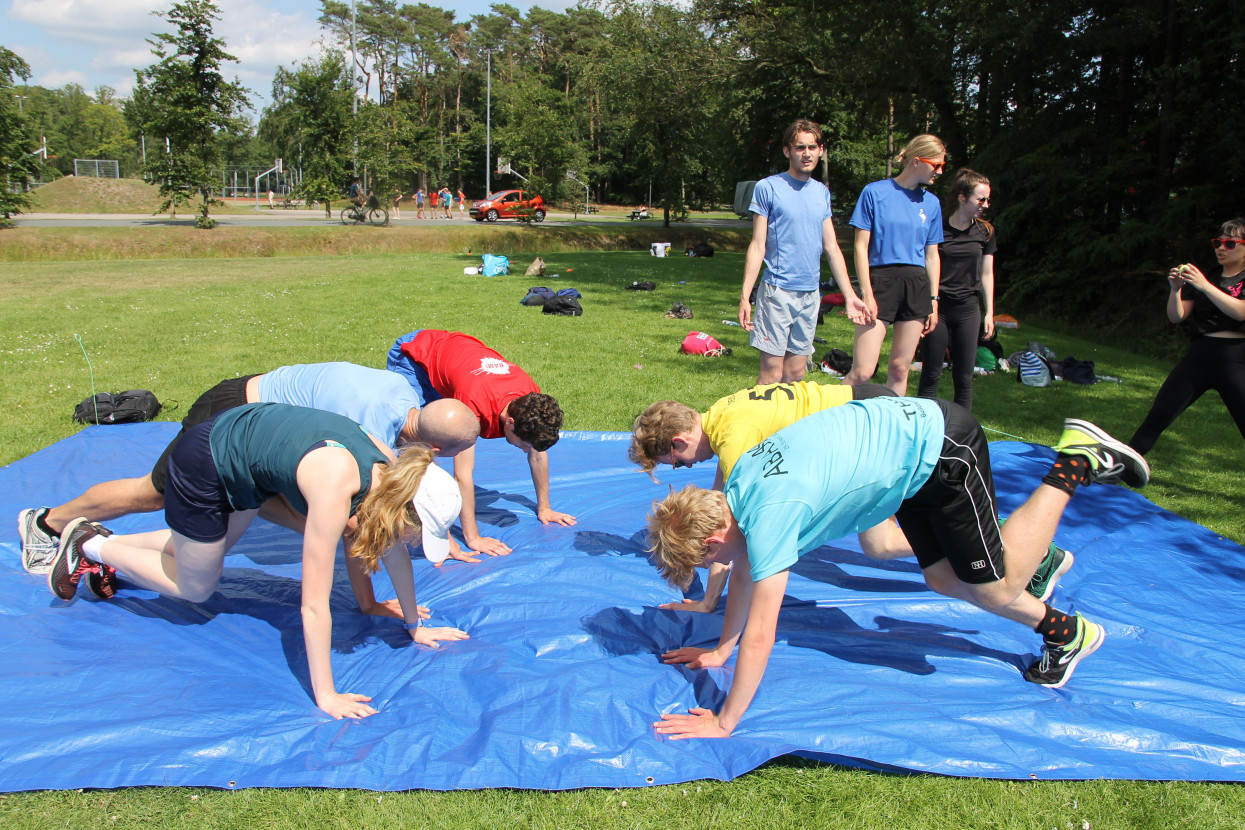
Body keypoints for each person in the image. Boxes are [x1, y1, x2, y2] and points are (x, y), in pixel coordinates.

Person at [647, 397, 1150, 739]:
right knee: (940, 578)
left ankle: (1076, 460)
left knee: (996, 588)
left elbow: (763, 630)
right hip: (905, 450)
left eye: (705, 560)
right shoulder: (738, 491)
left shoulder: (771, 517)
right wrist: (720, 650)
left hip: (940, 447)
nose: (713, 567)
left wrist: (725, 721)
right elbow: (746, 574)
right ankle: (1066, 631)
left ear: (714, 538)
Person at [44, 403, 469, 720]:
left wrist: (415, 626)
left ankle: (110, 549)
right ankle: (89, 542)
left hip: (252, 451)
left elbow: (395, 557)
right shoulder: (336, 487)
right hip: (210, 459)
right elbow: (314, 603)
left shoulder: (393, 473)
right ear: (402, 511)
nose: (409, 543)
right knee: (197, 587)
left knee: (201, 551)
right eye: (415, 533)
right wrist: (327, 695)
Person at [18, 363, 480, 574]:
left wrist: (444, 530)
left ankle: (101, 543)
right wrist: (369, 604)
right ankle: (49, 523)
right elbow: (362, 519)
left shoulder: (406, 401)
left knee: (308, 516)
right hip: (233, 416)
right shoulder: (372, 424)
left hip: (267, 436)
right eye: (445, 454)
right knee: (154, 493)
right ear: (433, 446)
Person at [629, 380, 900, 613]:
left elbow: (725, 530)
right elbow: (719, 498)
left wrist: (709, 602)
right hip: (866, 405)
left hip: (873, 421)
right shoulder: (721, 416)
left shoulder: (735, 442)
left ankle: (942, 550)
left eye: (676, 462)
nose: (686, 467)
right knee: (883, 541)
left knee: (880, 543)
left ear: (680, 441)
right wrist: (708, 602)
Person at [387, 330, 576, 556]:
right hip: (415, 353)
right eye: (523, 444)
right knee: (417, 439)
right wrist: (473, 537)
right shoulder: (472, 410)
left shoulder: (530, 400)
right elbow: (462, 475)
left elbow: (536, 452)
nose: (526, 449)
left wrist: (544, 508)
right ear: (510, 422)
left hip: (456, 353)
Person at [740, 119, 862, 386]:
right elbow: (757, 245)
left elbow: (831, 247)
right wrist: (745, 296)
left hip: (810, 295)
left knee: (795, 375)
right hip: (777, 292)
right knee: (771, 375)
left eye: (812, 147)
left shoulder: (821, 193)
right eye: (799, 147)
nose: (806, 153)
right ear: (788, 151)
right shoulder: (768, 188)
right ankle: (764, 427)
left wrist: (850, 296)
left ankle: (787, 428)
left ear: (820, 151)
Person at [1127, 218, 1245, 466]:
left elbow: (1240, 312)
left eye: (1230, 243)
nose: (1221, 248)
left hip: (1235, 359)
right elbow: (1176, 316)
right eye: (1218, 243)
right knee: (1158, 415)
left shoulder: (1208, 281)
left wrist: (1205, 287)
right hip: (1200, 357)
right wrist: (1175, 290)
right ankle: (1119, 469)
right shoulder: (1207, 276)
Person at [844, 134, 946, 396]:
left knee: (901, 369)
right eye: (936, 165)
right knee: (863, 371)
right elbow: (860, 246)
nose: (940, 171)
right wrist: (866, 293)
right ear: (916, 161)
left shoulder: (932, 203)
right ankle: (826, 418)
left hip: (916, 285)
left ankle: (890, 431)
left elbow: (932, 255)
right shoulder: (875, 192)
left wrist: (933, 300)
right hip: (880, 281)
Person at [917, 169, 997, 409]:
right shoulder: (937, 229)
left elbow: (987, 273)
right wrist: (929, 303)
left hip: (968, 309)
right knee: (931, 372)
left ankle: (964, 434)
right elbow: (926, 266)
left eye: (987, 200)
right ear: (963, 198)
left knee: (964, 377)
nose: (985, 205)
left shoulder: (985, 232)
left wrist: (990, 312)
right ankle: (922, 427)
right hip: (937, 308)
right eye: (980, 199)